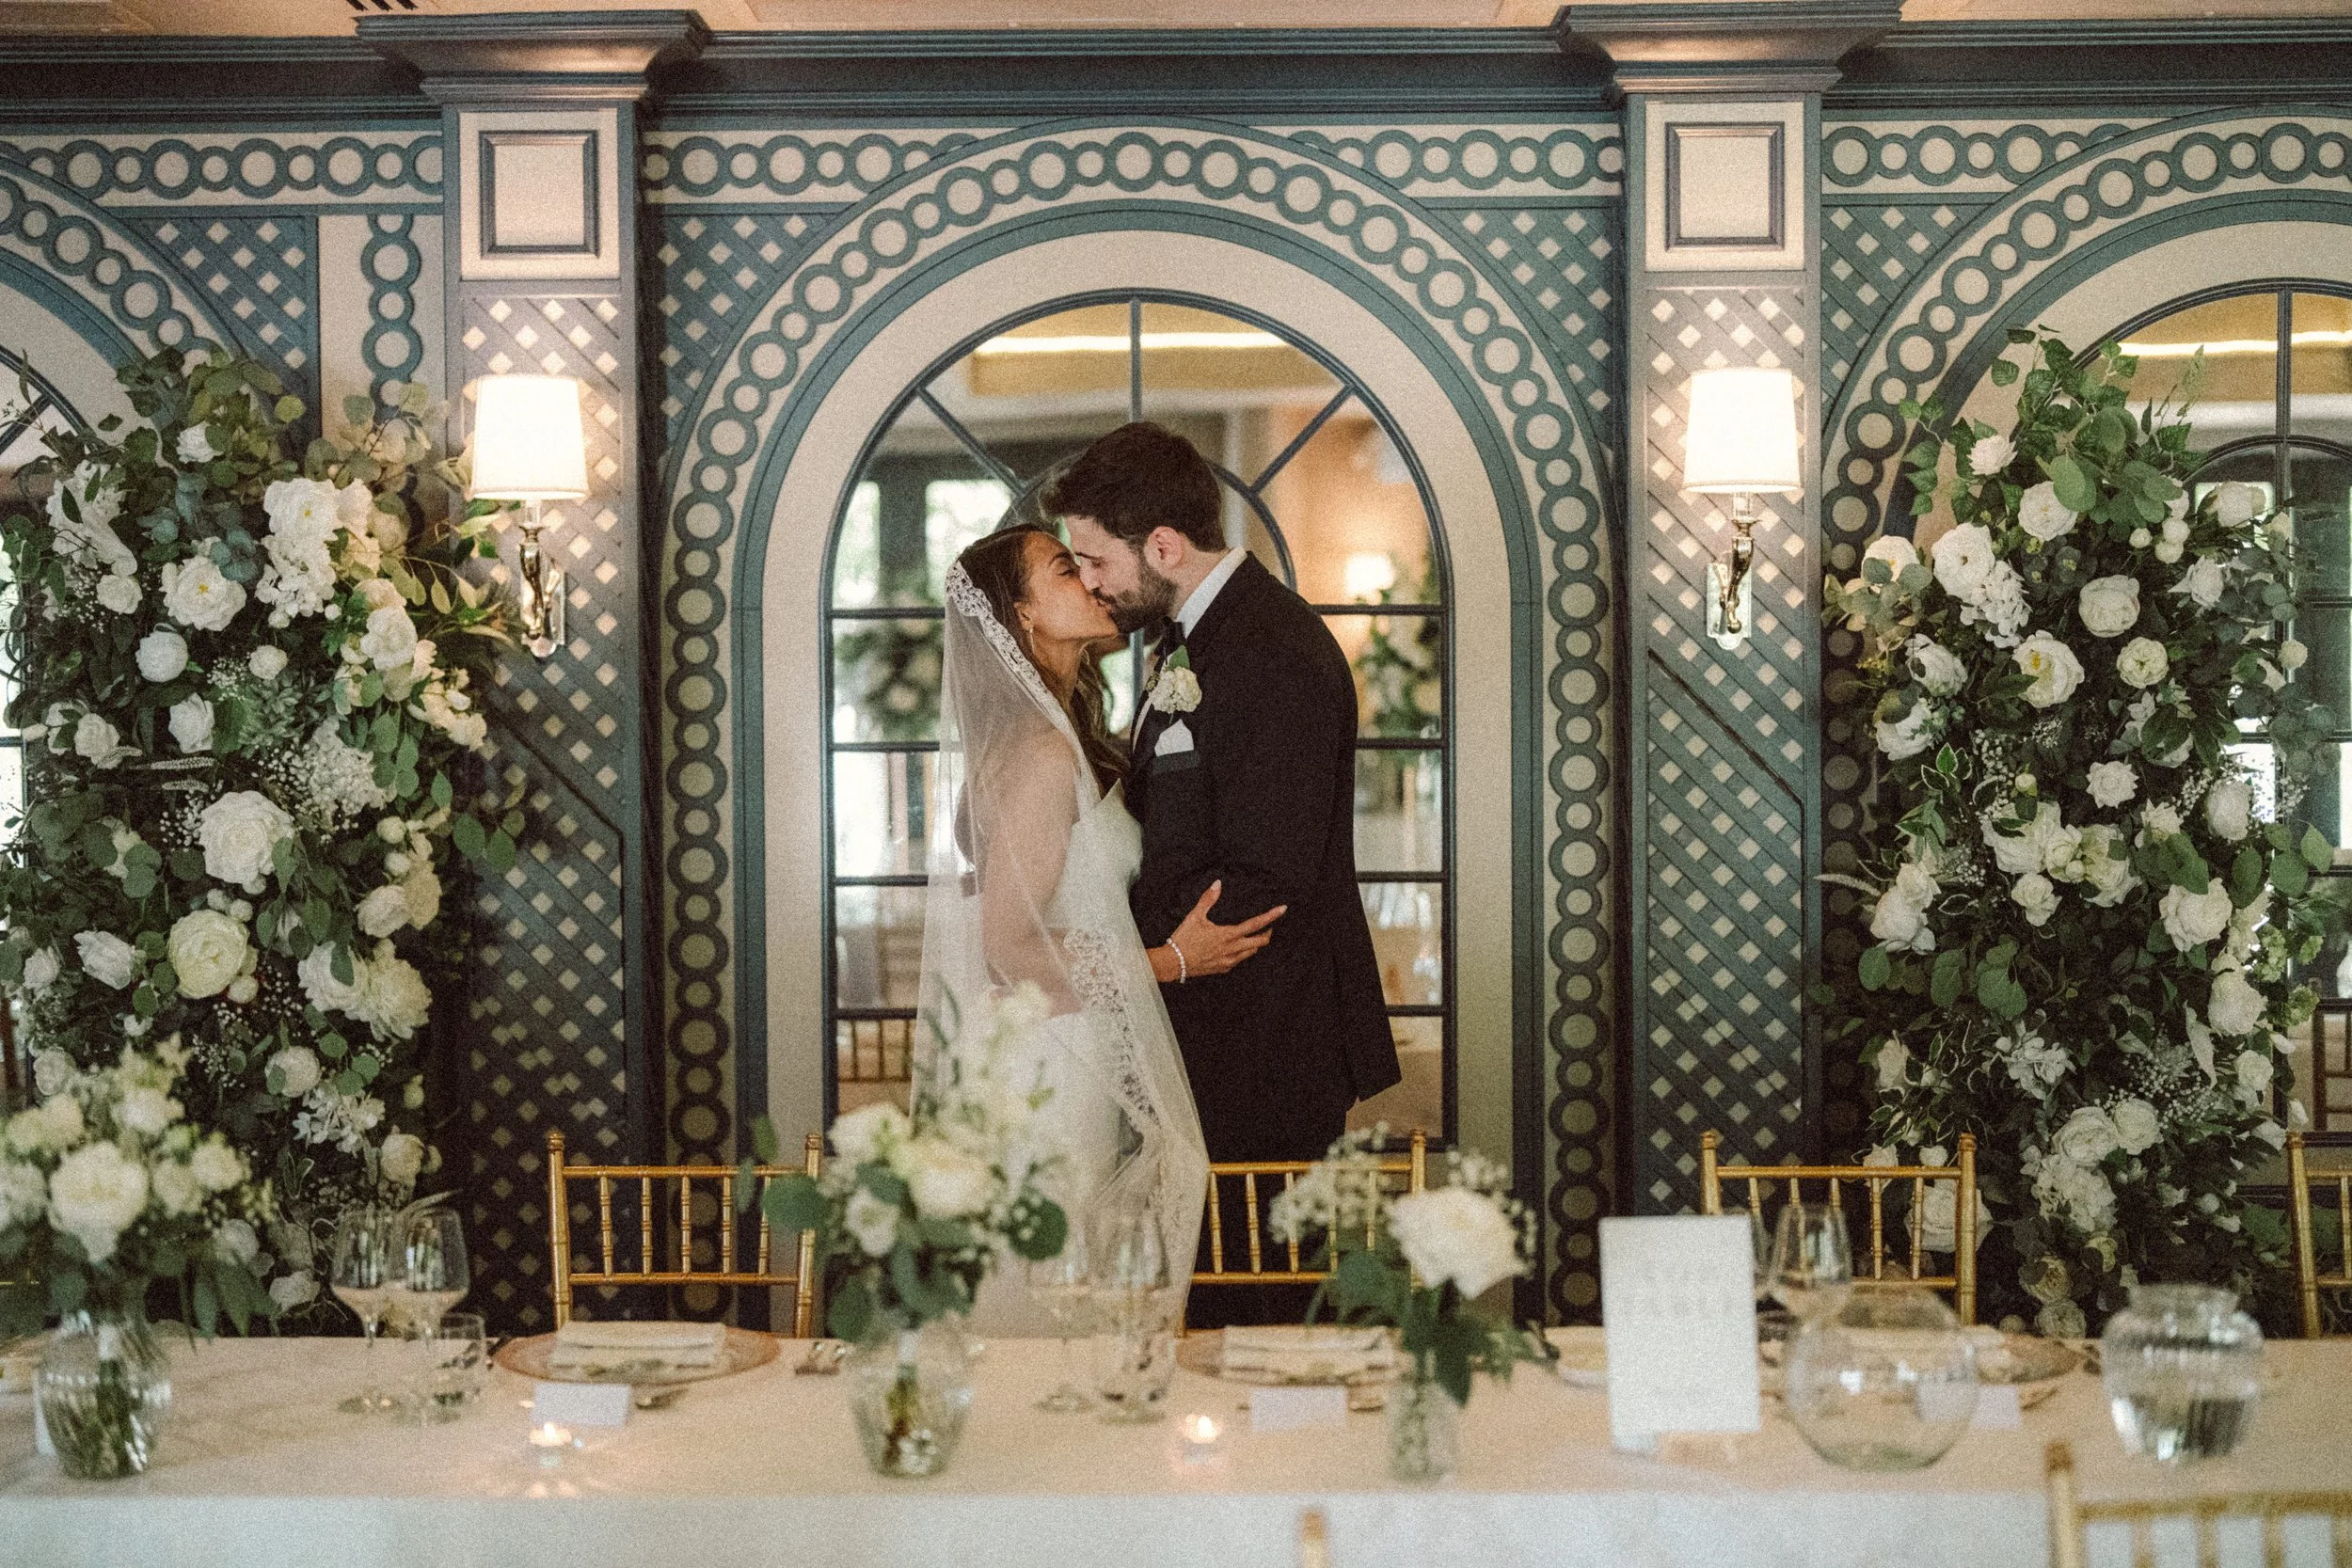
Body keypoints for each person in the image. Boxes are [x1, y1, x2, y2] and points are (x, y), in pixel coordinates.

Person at [1054, 422, 1402, 1325]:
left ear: (1162, 546)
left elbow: (1268, 869)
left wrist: (1155, 967)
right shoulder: (1187, 643)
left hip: (1264, 1036)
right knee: (1212, 1292)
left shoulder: (1274, 650)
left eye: (1095, 558)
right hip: (1212, 1030)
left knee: (1253, 1307)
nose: (1090, 581)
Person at [919, 524, 1272, 1336]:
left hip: (1073, 1041)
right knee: (1051, 1283)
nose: (1090, 581)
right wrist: (1175, 958)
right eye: (1062, 570)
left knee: (1078, 1279)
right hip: (1049, 1056)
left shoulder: (1061, 739)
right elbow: (1008, 948)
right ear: (1024, 615)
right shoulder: (1040, 757)